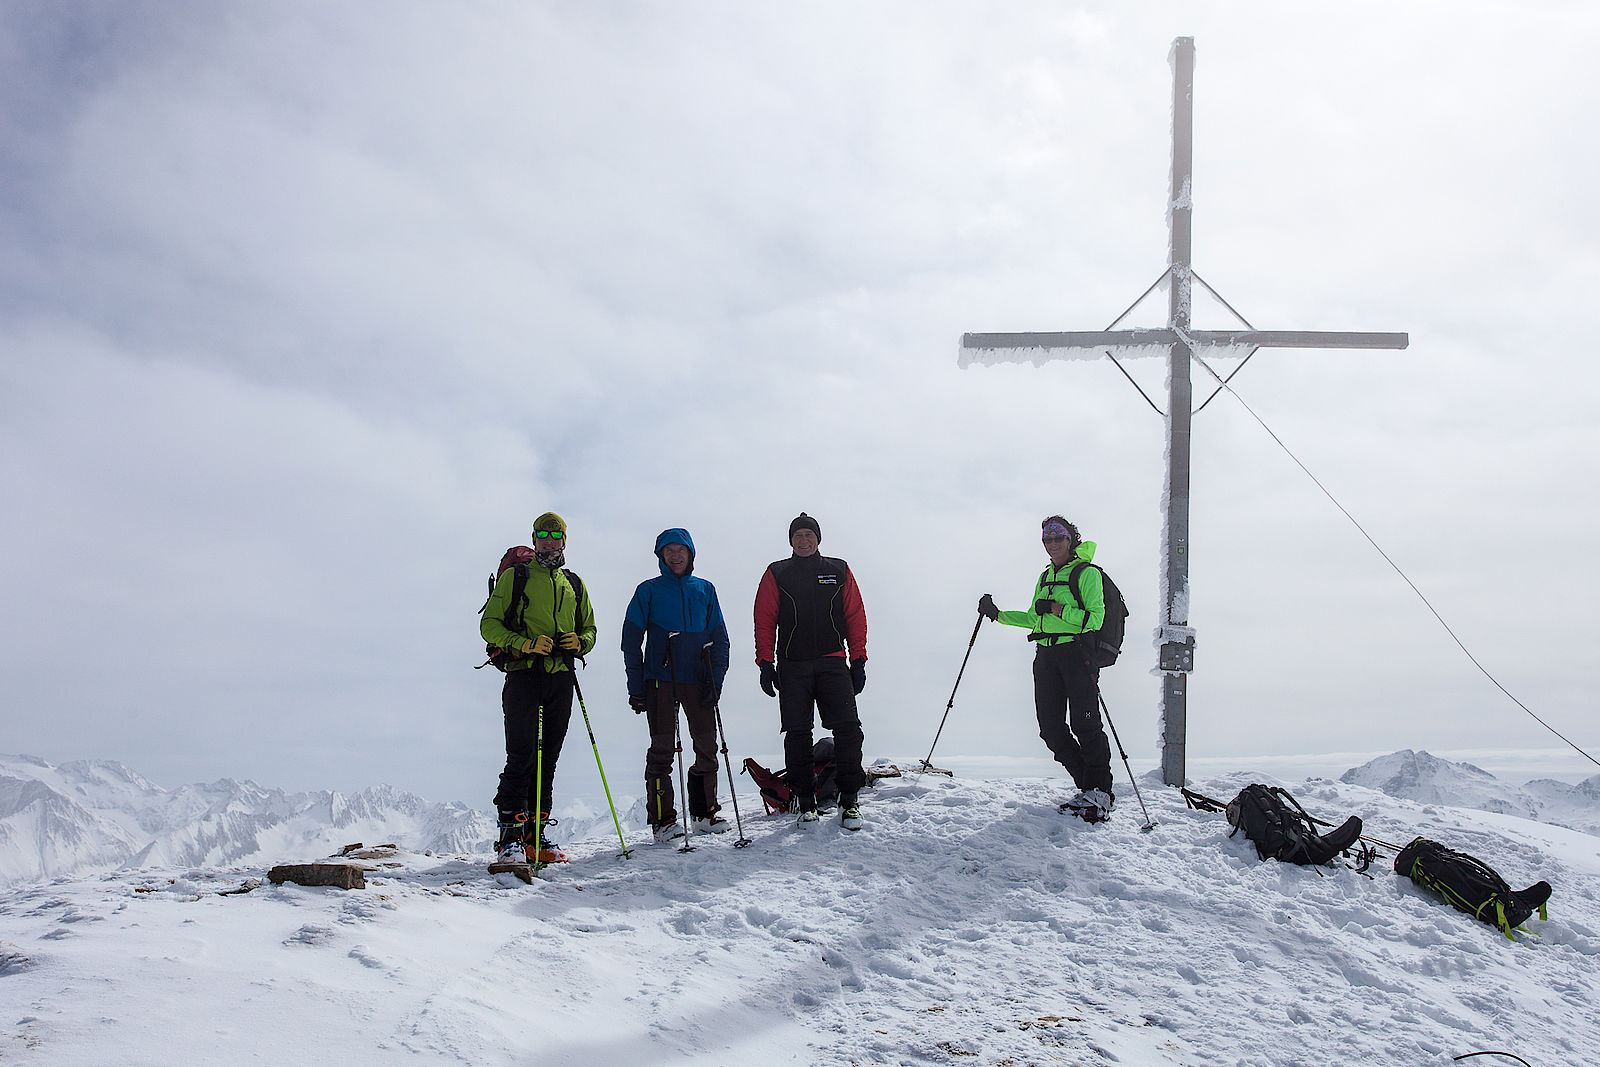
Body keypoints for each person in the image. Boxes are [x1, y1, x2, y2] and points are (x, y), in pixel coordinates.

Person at [479, 512, 597, 864]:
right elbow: (489, 625)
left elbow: (590, 628)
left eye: (555, 534)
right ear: (533, 539)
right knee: (522, 755)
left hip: (561, 676)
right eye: (542, 534)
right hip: (523, 674)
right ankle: (510, 837)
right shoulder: (517, 577)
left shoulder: (573, 583)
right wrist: (523, 643)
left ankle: (536, 833)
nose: (548, 539)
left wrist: (581, 642)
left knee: (549, 758)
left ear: (564, 540)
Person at [979, 515, 1115, 821]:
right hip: (1046, 655)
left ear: (1071, 539)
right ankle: (1088, 789)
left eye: (1058, 537)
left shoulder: (1087, 573)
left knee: (1085, 725)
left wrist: (1056, 608)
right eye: (1047, 539)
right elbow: (1033, 618)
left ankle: (1100, 791)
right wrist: (997, 614)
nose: (1052, 543)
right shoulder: (1044, 578)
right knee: (1050, 729)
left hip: (1077, 653)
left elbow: (1094, 620)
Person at [753, 513, 868, 830]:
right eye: (797, 536)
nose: (803, 541)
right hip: (793, 665)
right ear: (791, 541)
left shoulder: (838, 570)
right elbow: (764, 619)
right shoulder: (777, 573)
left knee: (848, 730)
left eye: (808, 535)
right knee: (798, 734)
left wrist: (858, 659)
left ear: (818, 539)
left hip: (833, 661)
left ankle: (849, 802)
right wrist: (766, 663)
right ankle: (806, 804)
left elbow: (855, 614)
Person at [621, 527, 733, 843]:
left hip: (698, 681)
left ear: (690, 554)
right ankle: (663, 821)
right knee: (661, 751)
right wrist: (637, 685)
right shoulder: (648, 591)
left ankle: (703, 813)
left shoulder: (705, 590)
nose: (675, 556)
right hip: (660, 681)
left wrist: (717, 680)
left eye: (680, 550)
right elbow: (630, 640)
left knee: (707, 747)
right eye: (668, 551)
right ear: (660, 556)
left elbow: (720, 639)